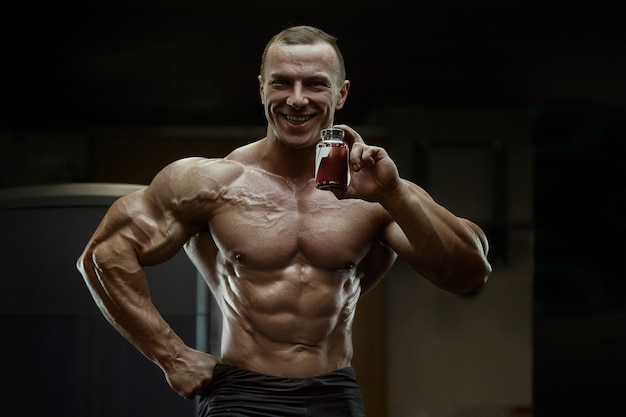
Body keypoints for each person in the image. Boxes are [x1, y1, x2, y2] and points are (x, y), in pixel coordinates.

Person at [76, 25, 491, 417]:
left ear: (341, 93)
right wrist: (171, 355)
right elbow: (104, 255)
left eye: (315, 84)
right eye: (281, 82)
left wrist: (393, 193)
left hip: (333, 393)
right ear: (261, 89)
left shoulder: (380, 191)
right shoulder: (210, 182)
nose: (297, 99)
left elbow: (468, 273)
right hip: (241, 393)